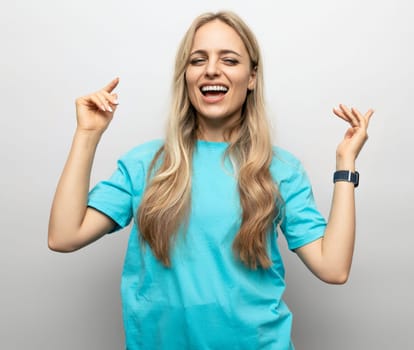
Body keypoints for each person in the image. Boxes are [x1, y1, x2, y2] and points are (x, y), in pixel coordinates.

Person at [48, 11, 374, 350]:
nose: (212, 70)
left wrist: (345, 164)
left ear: (251, 77)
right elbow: (64, 236)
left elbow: (333, 268)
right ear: (185, 76)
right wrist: (87, 134)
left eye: (229, 60)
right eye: (198, 60)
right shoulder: (145, 164)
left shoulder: (280, 169)